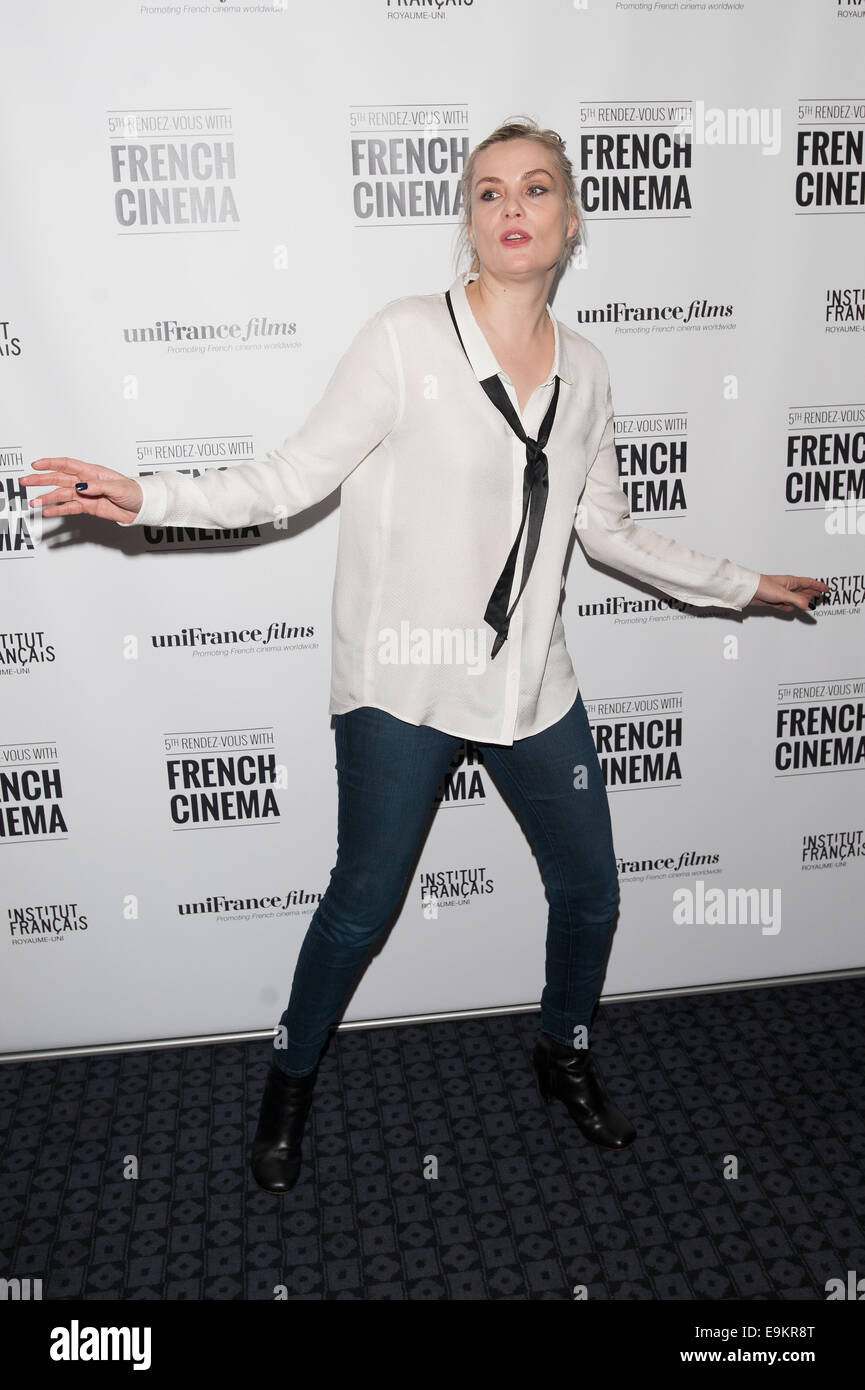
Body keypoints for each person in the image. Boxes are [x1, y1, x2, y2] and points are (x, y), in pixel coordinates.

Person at [22, 116, 829, 1197]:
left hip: (532, 682)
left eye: (535, 189)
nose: (512, 207)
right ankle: (289, 1080)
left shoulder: (587, 371)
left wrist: (742, 585)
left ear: (569, 220)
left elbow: (607, 530)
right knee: (361, 902)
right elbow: (286, 479)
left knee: (590, 891)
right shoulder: (406, 337)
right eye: (490, 190)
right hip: (401, 687)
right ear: (468, 216)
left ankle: (562, 1052)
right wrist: (148, 497)